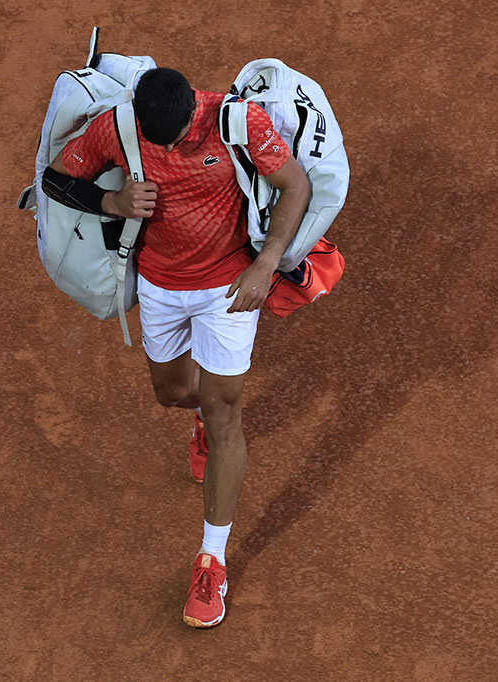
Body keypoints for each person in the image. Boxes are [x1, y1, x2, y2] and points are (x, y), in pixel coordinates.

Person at [41, 67, 309, 628]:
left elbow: (295, 185)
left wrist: (265, 263)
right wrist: (112, 204)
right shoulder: (120, 127)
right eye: (154, 140)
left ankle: (211, 560)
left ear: (193, 110)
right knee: (172, 392)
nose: (165, 149)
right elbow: (56, 179)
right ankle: (202, 419)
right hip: (161, 286)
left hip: (229, 286)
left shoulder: (238, 122)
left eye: (176, 138)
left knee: (225, 412)